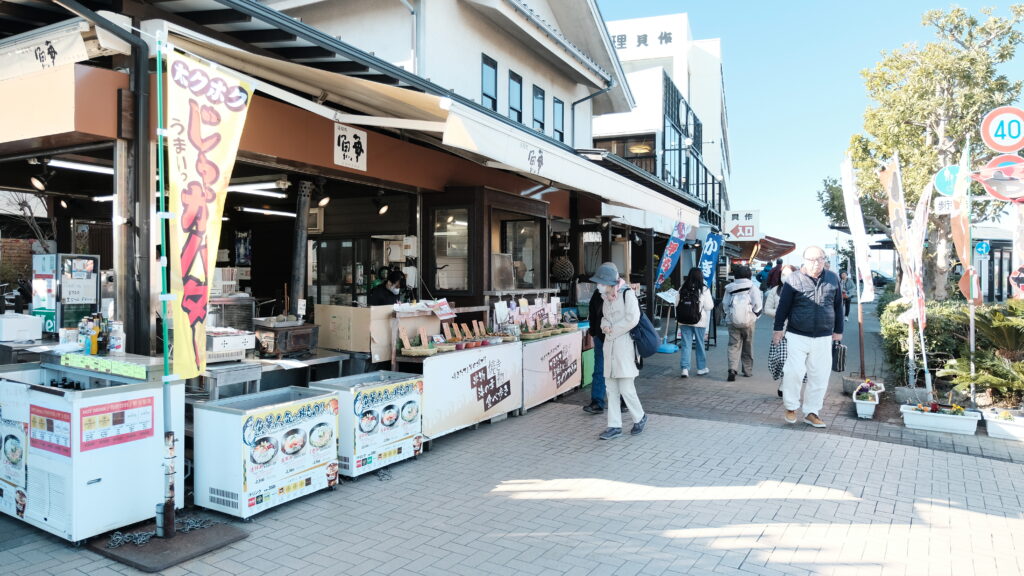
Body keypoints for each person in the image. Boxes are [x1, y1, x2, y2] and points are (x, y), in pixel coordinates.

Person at [772, 246, 844, 428]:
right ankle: (790, 406)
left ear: (824, 260)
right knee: (793, 372)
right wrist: (778, 329)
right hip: (797, 334)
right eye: (812, 259)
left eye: (819, 259)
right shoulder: (793, 279)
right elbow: (783, 307)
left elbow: (838, 306)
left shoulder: (833, 278)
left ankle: (812, 412)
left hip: (824, 335)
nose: (816, 263)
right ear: (804, 260)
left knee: (819, 375)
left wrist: (838, 331)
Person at [589, 262, 647, 440]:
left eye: (601, 282)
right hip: (610, 347)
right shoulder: (606, 297)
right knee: (611, 389)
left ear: (609, 282)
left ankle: (640, 417)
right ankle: (614, 426)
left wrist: (612, 330)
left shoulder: (628, 295)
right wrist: (605, 327)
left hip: (625, 347)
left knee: (626, 388)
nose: (599, 286)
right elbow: (604, 318)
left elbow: (633, 319)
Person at [722, 265, 762, 382]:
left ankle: (732, 369)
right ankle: (747, 370)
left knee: (733, 345)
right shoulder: (752, 287)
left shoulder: (729, 288)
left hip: (733, 321)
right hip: (749, 322)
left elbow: (725, 305)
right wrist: (754, 317)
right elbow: (758, 305)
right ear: (749, 275)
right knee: (748, 345)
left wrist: (729, 317)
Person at [676, 267, 715, 378]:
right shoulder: (704, 289)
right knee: (699, 344)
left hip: (684, 321)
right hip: (699, 321)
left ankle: (684, 369)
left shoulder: (682, 288)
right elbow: (709, 306)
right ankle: (701, 368)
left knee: (686, 345)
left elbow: (676, 303)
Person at [582, 286, 606, 414]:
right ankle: (597, 402)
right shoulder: (598, 294)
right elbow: (592, 313)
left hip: (619, 339)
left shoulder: (623, 293)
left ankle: (624, 400)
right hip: (600, 338)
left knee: (620, 370)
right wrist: (594, 332)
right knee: (599, 369)